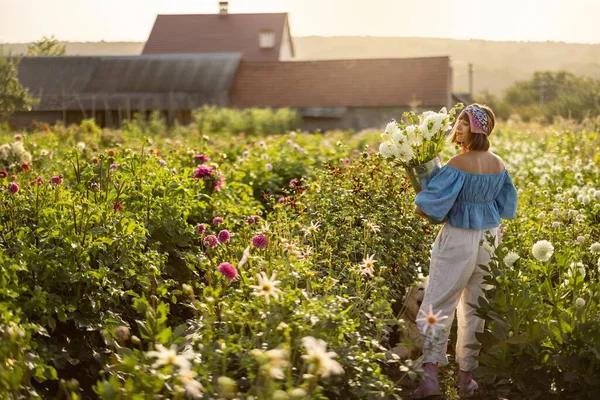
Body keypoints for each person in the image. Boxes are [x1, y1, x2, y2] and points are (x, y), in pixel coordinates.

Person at [411, 104, 518, 398]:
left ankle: (430, 377)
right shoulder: (498, 164)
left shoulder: (457, 164)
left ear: (478, 130)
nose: (458, 127)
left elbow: (429, 207)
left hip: (459, 238)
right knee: (474, 310)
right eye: (459, 120)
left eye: (465, 123)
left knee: (438, 305)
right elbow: (506, 205)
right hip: (489, 239)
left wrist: (420, 192)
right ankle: (466, 380)